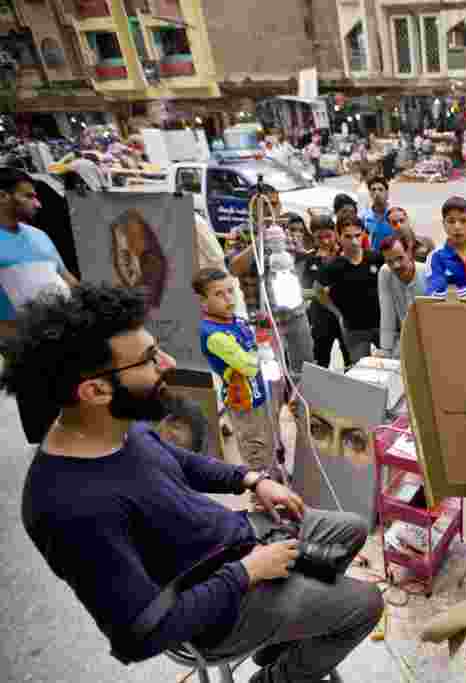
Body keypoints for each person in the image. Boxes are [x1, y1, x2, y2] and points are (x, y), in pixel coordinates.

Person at [7, 284, 383, 680]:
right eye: (150, 359)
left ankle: (284, 637)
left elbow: (178, 462)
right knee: (366, 604)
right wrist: (247, 573)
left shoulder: (114, 428)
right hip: (216, 611)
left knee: (352, 529)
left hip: (233, 545)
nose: (168, 363)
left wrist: (250, 479)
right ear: (95, 390)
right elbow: (140, 636)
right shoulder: (67, 507)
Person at [0, 167, 79, 444]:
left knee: (76, 417)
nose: (38, 202)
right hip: (23, 346)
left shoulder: (39, 236)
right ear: (3, 197)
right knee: (47, 428)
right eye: (29, 196)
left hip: (64, 340)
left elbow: (67, 279)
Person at [193, 268, 278, 486]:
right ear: (203, 301)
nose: (228, 298)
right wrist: (260, 342)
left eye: (230, 291)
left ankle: (274, 480)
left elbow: (254, 346)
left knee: (269, 441)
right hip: (243, 399)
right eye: (219, 294)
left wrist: (259, 329)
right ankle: (262, 496)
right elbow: (248, 366)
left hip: (259, 391)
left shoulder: (235, 320)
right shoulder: (213, 334)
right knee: (255, 449)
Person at [227, 188, 315, 385]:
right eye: (265, 206)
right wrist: (259, 239)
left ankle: (302, 410)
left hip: (294, 314)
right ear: (252, 209)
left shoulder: (286, 232)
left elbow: (302, 258)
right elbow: (234, 268)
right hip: (263, 320)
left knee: (306, 370)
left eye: (275, 204)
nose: (270, 210)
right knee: (271, 377)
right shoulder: (239, 234)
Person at [319, 217, 384, 363]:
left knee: (393, 366)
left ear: (363, 235)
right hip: (355, 329)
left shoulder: (376, 258)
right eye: (348, 236)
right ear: (339, 236)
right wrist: (337, 314)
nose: (354, 241)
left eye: (357, 235)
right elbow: (318, 291)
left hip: (382, 325)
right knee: (362, 373)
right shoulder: (333, 266)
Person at [301, 215, 347, 368]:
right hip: (320, 319)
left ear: (335, 232)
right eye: (320, 238)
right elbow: (303, 292)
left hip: (345, 316)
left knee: (351, 360)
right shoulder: (310, 259)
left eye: (328, 236)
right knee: (320, 363)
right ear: (313, 237)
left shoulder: (346, 254)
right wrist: (320, 292)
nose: (326, 241)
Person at [376, 232, 427, 359]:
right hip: (404, 338)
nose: (396, 265)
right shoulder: (385, 272)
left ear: (409, 252)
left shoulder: (428, 273)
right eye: (390, 261)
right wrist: (385, 350)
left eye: (400, 258)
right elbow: (387, 313)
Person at [361, 175, 392, 249]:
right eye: (373, 190)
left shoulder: (395, 215)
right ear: (370, 193)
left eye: (380, 189)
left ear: (387, 193)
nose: (377, 193)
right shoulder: (364, 217)